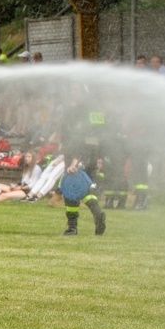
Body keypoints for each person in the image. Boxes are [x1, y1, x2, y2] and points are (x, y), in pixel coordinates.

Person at [60, 96, 107, 236]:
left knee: (71, 191)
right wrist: (99, 157)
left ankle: (72, 228)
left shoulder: (79, 117)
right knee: (87, 190)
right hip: (93, 156)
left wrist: (74, 163)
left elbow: (77, 141)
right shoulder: (97, 116)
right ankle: (97, 213)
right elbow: (101, 138)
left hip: (78, 157)